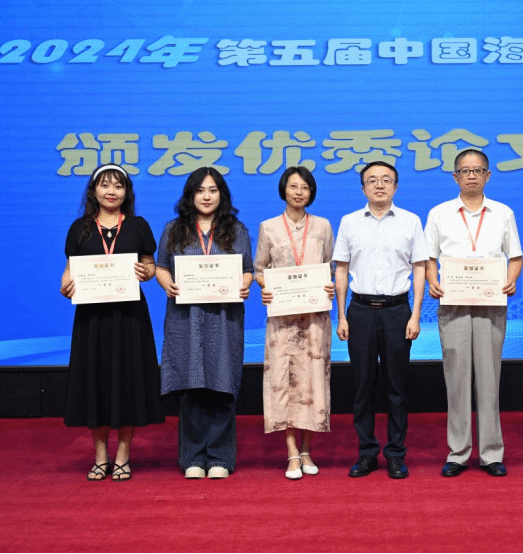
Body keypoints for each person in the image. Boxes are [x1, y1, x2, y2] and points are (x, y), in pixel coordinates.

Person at [60, 163, 165, 481]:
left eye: (118, 186)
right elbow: (70, 269)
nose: (111, 191)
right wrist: (65, 284)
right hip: (92, 319)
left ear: (126, 192)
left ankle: (123, 455)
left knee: (128, 381)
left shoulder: (138, 226)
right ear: (93, 191)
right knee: (96, 381)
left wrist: (146, 272)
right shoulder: (80, 228)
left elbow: (150, 265)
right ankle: (100, 455)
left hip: (129, 317)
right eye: (105, 185)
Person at [425, 149, 523, 477]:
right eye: (464, 171)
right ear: (455, 177)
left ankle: (491, 453)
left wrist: (510, 280)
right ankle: (458, 452)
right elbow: (428, 257)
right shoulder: (439, 213)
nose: (471, 175)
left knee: (489, 377)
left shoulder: (503, 213)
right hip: (453, 302)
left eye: (477, 170)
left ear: (488, 176)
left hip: (491, 303)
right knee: (456, 377)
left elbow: (515, 256)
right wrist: (433, 281)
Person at [156, 167, 253, 480]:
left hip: (224, 318)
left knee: (222, 385)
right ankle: (193, 458)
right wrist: (167, 284)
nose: (207, 196)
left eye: (213, 190)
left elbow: (247, 269)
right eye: (200, 190)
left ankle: (220, 457)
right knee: (192, 385)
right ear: (191, 194)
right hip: (187, 318)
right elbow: (161, 266)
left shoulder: (236, 230)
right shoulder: (174, 229)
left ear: (221, 194)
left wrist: (245, 284)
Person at [333, 161, 427, 479]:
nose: (379, 185)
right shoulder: (349, 222)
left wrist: (415, 315)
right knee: (362, 386)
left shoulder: (411, 221)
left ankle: (396, 453)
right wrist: (341, 315)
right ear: (363, 188)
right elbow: (341, 270)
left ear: (396, 187)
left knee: (396, 387)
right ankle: (367, 452)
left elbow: (419, 268)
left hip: (397, 311)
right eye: (372, 180)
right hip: (359, 310)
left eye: (386, 180)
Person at [255, 167, 335, 480]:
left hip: (314, 319)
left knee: (311, 382)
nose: (298, 192)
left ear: (311, 192)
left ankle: (306, 450)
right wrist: (266, 287)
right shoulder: (269, 227)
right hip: (282, 319)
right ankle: (290, 452)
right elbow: (259, 269)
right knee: (284, 382)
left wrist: (328, 286)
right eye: (293, 186)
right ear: (283, 190)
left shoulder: (323, 226)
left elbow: (329, 267)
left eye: (304, 187)